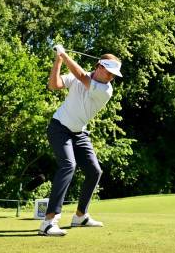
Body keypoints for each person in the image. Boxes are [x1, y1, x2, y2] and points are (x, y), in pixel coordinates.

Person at [38, 45, 122, 237]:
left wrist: (64, 54)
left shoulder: (105, 90)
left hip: (79, 133)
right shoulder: (81, 77)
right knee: (68, 166)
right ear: (99, 66)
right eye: (109, 72)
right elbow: (54, 85)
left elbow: (81, 76)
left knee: (94, 171)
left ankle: (80, 216)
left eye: (113, 75)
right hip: (59, 128)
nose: (111, 77)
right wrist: (58, 61)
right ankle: (49, 222)